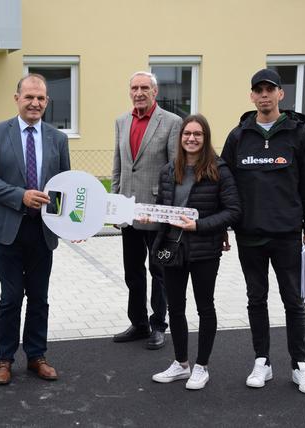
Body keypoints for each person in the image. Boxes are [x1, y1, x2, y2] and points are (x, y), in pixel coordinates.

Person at [221, 68, 305, 395]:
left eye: (270, 89)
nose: (264, 95)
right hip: (249, 234)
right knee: (256, 298)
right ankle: (262, 360)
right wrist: (223, 225)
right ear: (251, 95)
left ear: (281, 94)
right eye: (258, 90)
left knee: (294, 300)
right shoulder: (239, 136)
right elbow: (225, 184)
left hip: (286, 234)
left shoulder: (298, 134)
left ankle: (299, 365)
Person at [0, 74, 71, 385]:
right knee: (12, 296)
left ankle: (36, 356)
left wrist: (71, 224)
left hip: (42, 231)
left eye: (41, 98)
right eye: (29, 97)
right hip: (8, 230)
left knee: (40, 297)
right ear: (16, 97)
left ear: (47, 102)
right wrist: (21, 195)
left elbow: (64, 187)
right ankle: (4, 359)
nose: (35, 103)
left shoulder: (57, 138)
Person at [149, 114, 241, 389]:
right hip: (171, 250)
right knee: (175, 308)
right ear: (180, 138)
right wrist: (149, 216)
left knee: (205, 307)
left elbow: (233, 211)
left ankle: (202, 366)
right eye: (187, 133)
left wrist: (199, 226)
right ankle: (180, 363)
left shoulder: (219, 170)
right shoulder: (168, 170)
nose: (191, 138)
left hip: (204, 250)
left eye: (197, 134)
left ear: (205, 138)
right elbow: (162, 207)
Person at [111, 71, 182, 350]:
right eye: (134, 88)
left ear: (155, 91)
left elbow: (176, 170)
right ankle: (138, 323)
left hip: (155, 212)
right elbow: (118, 166)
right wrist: (116, 206)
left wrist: (168, 211)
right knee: (133, 272)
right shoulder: (121, 121)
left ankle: (158, 325)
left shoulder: (171, 122)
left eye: (144, 88)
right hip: (127, 211)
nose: (139, 92)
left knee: (158, 271)